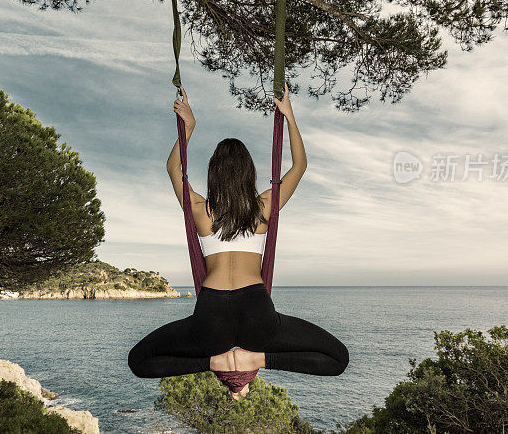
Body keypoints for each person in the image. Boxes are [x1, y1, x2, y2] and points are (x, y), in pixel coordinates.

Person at [128, 84, 349, 399]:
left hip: (211, 315)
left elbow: (172, 169)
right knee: (337, 357)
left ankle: (214, 362)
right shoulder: (263, 208)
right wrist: (289, 116)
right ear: (250, 172)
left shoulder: (199, 210)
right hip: (256, 311)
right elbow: (300, 166)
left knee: (138, 359)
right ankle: (257, 359)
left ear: (213, 174)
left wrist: (188, 128)